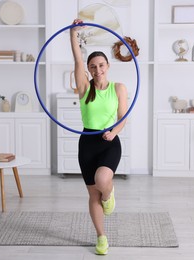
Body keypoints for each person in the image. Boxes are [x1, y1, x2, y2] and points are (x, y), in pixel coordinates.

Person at [70, 19, 128, 255]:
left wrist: (113, 132)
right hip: (87, 143)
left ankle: (109, 193)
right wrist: (73, 32)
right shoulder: (84, 87)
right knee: (92, 193)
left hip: (109, 141)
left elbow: (123, 117)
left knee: (103, 180)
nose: (97, 70)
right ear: (90, 69)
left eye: (101, 65)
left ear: (108, 66)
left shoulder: (118, 88)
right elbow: (77, 59)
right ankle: (101, 237)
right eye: (93, 66)